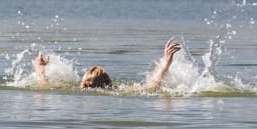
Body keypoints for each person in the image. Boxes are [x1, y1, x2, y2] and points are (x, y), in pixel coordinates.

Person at [32, 38, 181, 90]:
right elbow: (151, 86)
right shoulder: (122, 89)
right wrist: (165, 65)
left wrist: (40, 69)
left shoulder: (81, 92)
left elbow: (44, 86)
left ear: (86, 85)